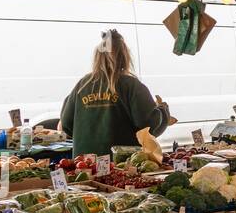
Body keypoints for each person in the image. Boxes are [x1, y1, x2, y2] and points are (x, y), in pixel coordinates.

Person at [60, 29, 168, 159]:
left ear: (98, 57)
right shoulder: (131, 85)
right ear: (125, 56)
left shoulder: (82, 85)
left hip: (85, 165)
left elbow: (65, 124)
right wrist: (163, 110)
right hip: (121, 165)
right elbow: (149, 126)